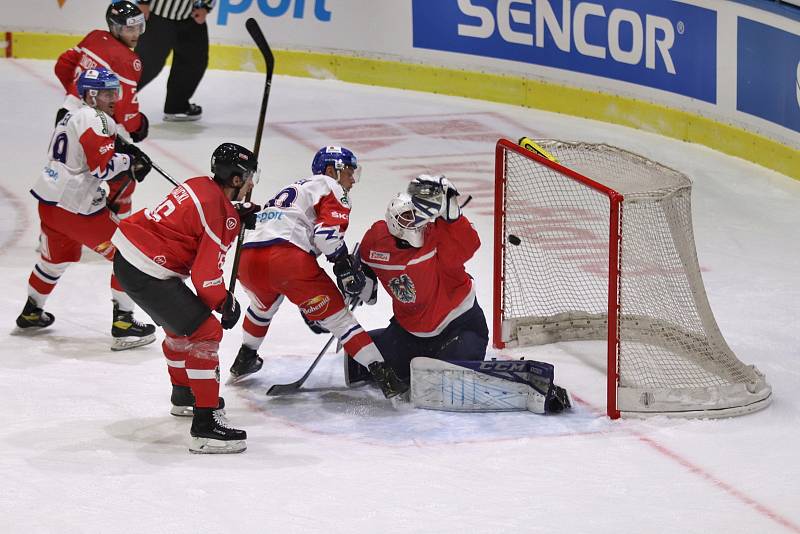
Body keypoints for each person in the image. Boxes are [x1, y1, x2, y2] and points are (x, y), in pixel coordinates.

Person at [111, 142, 261, 454]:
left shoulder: (199, 184)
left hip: (130, 259)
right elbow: (205, 276)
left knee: (181, 327)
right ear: (236, 180)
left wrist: (232, 215)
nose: (250, 184)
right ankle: (205, 427)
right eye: (249, 178)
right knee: (206, 332)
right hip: (149, 269)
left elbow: (203, 218)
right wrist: (225, 302)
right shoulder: (221, 214)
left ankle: (185, 395)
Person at [227, 146, 408, 399]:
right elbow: (326, 236)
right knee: (340, 321)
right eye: (349, 172)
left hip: (246, 260)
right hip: (286, 260)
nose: (352, 180)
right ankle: (386, 376)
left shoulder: (294, 189)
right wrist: (343, 264)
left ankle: (245, 356)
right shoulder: (331, 186)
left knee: (262, 307)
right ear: (332, 170)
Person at [16, 68, 156, 351]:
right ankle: (124, 325)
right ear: (91, 95)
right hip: (77, 209)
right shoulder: (98, 118)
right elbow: (101, 168)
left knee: (54, 261)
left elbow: (83, 154)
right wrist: (129, 162)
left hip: (50, 202)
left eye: (115, 92)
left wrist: (123, 153)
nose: (114, 98)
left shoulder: (71, 115)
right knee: (127, 255)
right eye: (107, 93)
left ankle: (32, 310)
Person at [349, 175, 489, 385]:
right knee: (384, 372)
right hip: (409, 330)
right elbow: (362, 256)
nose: (416, 223)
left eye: (418, 216)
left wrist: (454, 218)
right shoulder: (377, 241)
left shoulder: (437, 237)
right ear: (393, 222)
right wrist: (361, 276)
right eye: (408, 217)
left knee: (450, 379)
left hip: (458, 324)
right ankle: (383, 341)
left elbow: (469, 244)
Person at [54, 1, 149, 218]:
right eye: (129, 28)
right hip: (95, 125)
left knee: (69, 174)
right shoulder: (128, 59)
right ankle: (119, 236)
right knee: (124, 178)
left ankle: (55, 230)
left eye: (138, 27)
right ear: (115, 27)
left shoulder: (94, 37)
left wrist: (75, 94)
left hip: (66, 115)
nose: (135, 34)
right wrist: (137, 126)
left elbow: (63, 65)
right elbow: (125, 107)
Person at [134, 0, 215, 121]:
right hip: (158, 14)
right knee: (146, 65)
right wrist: (143, 2)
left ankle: (177, 106)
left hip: (190, 15)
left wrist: (205, 7)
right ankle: (112, 101)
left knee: (193, 61)